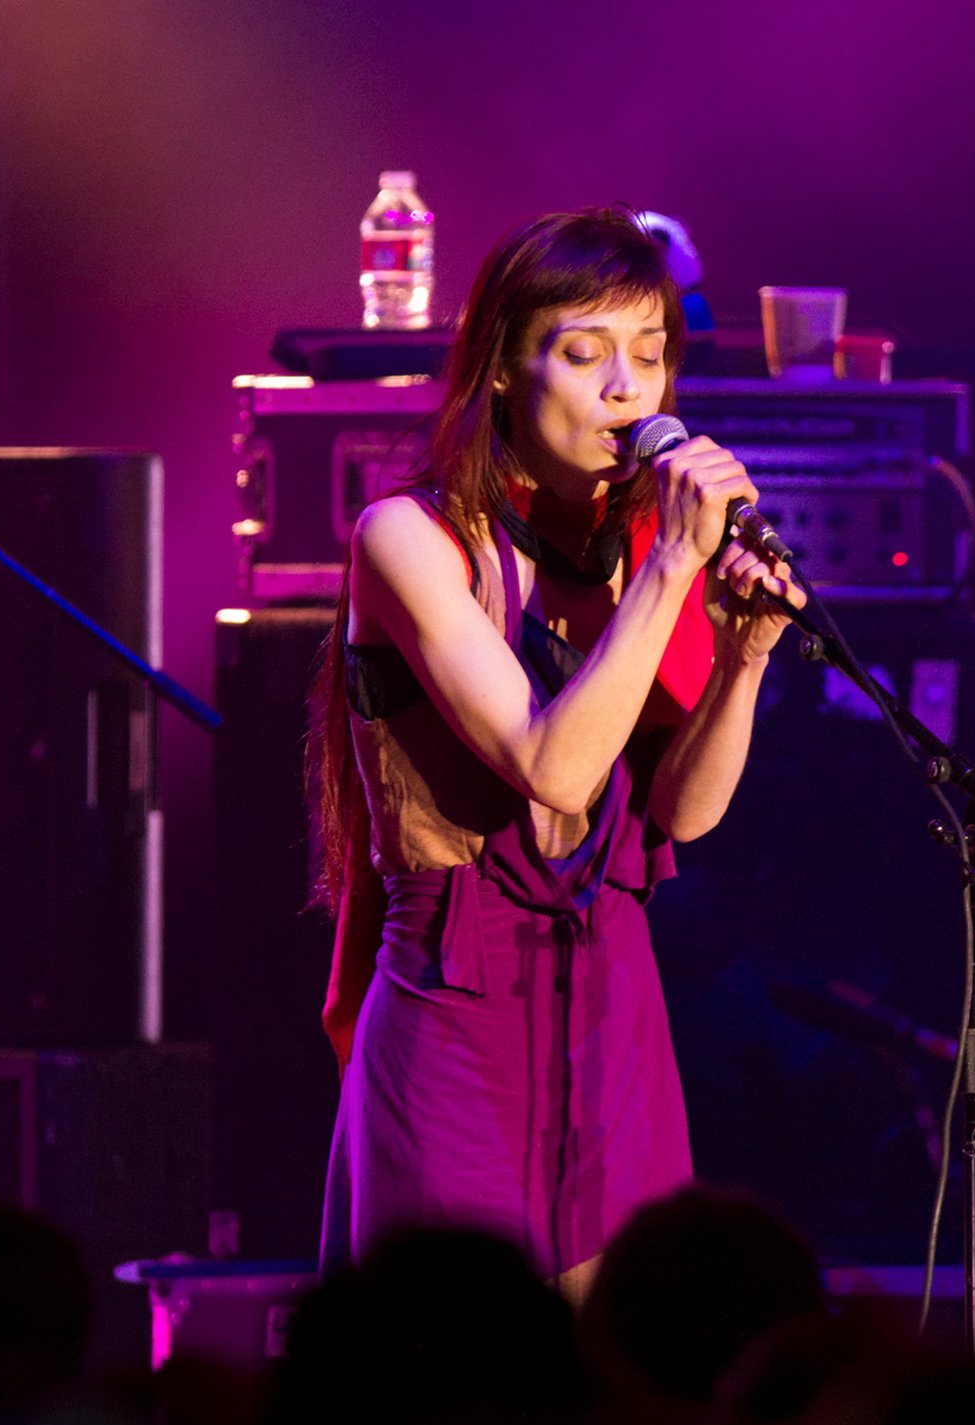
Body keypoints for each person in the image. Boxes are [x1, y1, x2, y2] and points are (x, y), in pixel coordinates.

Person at [313, 206, 804, 1299]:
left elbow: (679, 816)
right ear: (499, 370)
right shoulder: (408, 541)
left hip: (616, 1003)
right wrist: (677, 564)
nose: (627, 390)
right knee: (457, 1367)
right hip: (458, 1006)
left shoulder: (641, 559)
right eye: (585, 356)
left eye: (650, 356)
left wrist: (746, 660)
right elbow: (554, 768)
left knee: (617, 1370)